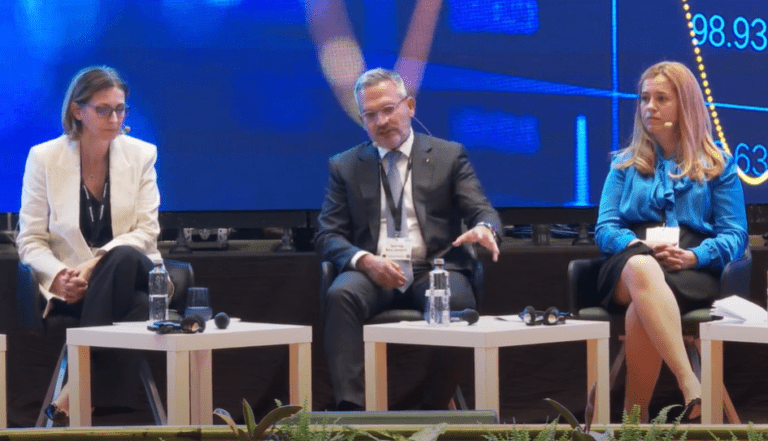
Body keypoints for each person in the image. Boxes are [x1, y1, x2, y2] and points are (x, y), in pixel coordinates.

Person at [316, 67, 502, 411]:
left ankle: (432, 408)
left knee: (459, 303)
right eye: (370, 115)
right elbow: (328, 234)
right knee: (341, 294)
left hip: (433, 268)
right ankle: (352, 413)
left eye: (389, 109)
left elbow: (482, 210)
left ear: (410, 106)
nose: (382, 121)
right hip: (373, 271)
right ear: (362, 119)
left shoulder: (448, 156)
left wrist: (486, 229)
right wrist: (365, 261)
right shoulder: (345, 166)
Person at [594, 61, 748, 422]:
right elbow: (605, 228)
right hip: (628, 263)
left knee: (641, 311)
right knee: (641, 267)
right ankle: (688, 380)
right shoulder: (623, 166)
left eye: (661, 98)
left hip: (689, 268)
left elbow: (735, 235)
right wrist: (637, 247)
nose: (650, 107)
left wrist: (696, 256)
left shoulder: (718, 165)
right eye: (644, 98)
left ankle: (635, 422)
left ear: (685, 105)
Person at [16, 66, 164, 425]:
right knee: (138, 307)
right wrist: (59, 276)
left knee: (123, 255)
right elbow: (30, 239)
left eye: (120, 109)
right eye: (103, 110)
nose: (114, 119)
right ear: (77, 111)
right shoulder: (44, 158)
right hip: (81, 290)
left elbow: (147, 231)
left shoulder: (142, 155)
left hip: (140, 272)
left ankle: (77, 385)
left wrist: (94, 264)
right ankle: (90, 396)